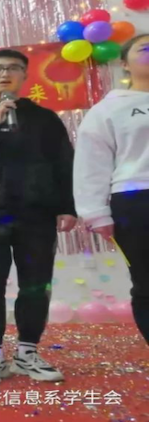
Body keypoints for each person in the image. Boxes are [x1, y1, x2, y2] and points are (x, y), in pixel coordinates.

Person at [0, 49, 76, 384]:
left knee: (36, 282)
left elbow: (64, 163)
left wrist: (67, 206)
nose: (5, 74)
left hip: (36, 211)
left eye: (13, 68)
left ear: (25, 76)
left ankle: (27, 352)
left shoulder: (44, 118)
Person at [74, 35, 149, 345]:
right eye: (145, 49)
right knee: (146, 280)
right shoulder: (110, 109)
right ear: (124, 64)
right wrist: (95, 212)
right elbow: (91, 163)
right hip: (138, 199)